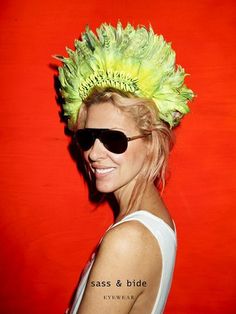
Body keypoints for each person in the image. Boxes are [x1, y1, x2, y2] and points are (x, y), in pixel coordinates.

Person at [55, 22, 194, 314]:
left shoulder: (127, 241)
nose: (94, 154)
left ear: (152, 142)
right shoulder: (156, 221)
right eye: (87, 137)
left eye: (113, 139)